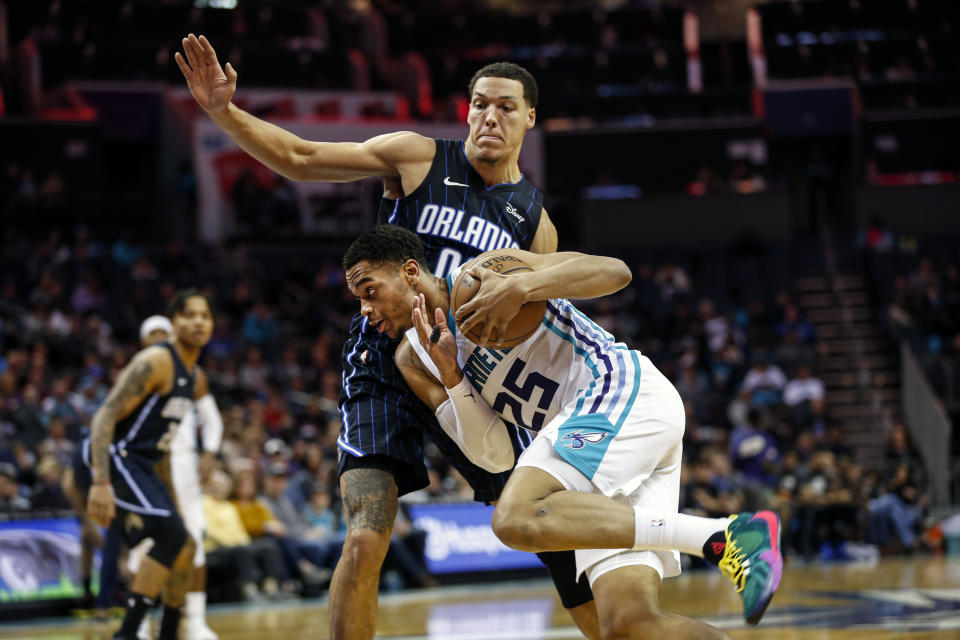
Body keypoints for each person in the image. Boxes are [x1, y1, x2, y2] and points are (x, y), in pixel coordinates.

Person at [176, 35, 596, 640]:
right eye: (479, 103)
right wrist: (223, 111)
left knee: (548, 526)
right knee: (367, 535)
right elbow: (301, 157)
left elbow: (534, 330)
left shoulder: (537, 225)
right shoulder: (419, 156)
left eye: (505, 106)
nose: (488, 116)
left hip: (468, 375)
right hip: (383, 362)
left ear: (530, 116)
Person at [344, 225, 782, 635]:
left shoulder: (484, 274)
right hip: (590, 443)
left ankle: (721, 536)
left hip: (618, 391)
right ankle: (718, 539)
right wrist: (454, 377)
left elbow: (616, 272)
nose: (365, 310)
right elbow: (495, 455)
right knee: (629, 626)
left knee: (515, 515)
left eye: (370, 291)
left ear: (410, 272)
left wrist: (524, 285)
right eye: (357, 299)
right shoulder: (414, 359)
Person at [81, 290, 214, 640]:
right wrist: (99, 481)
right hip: (112, 456)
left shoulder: (195, 377)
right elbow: (104, 416)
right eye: (189, 315)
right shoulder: (156, 361)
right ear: (174, 323)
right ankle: (129, 631)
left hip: (142, 464)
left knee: (183, 544)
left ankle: (167, 631)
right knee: (170, 535)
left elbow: (162, 446)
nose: (198, 321)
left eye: (205, 315)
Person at [131, 315, 223, 640]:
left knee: (194, 544)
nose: (158, 340)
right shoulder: (137, 377)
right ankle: (141, 623)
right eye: (151, 335)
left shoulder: (190, 375)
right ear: (143, 343)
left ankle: (195, 622)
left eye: (163, 334)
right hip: (146, 466)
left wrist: (209, 452)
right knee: (144, 547)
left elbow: (212, 421)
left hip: (185, 466)